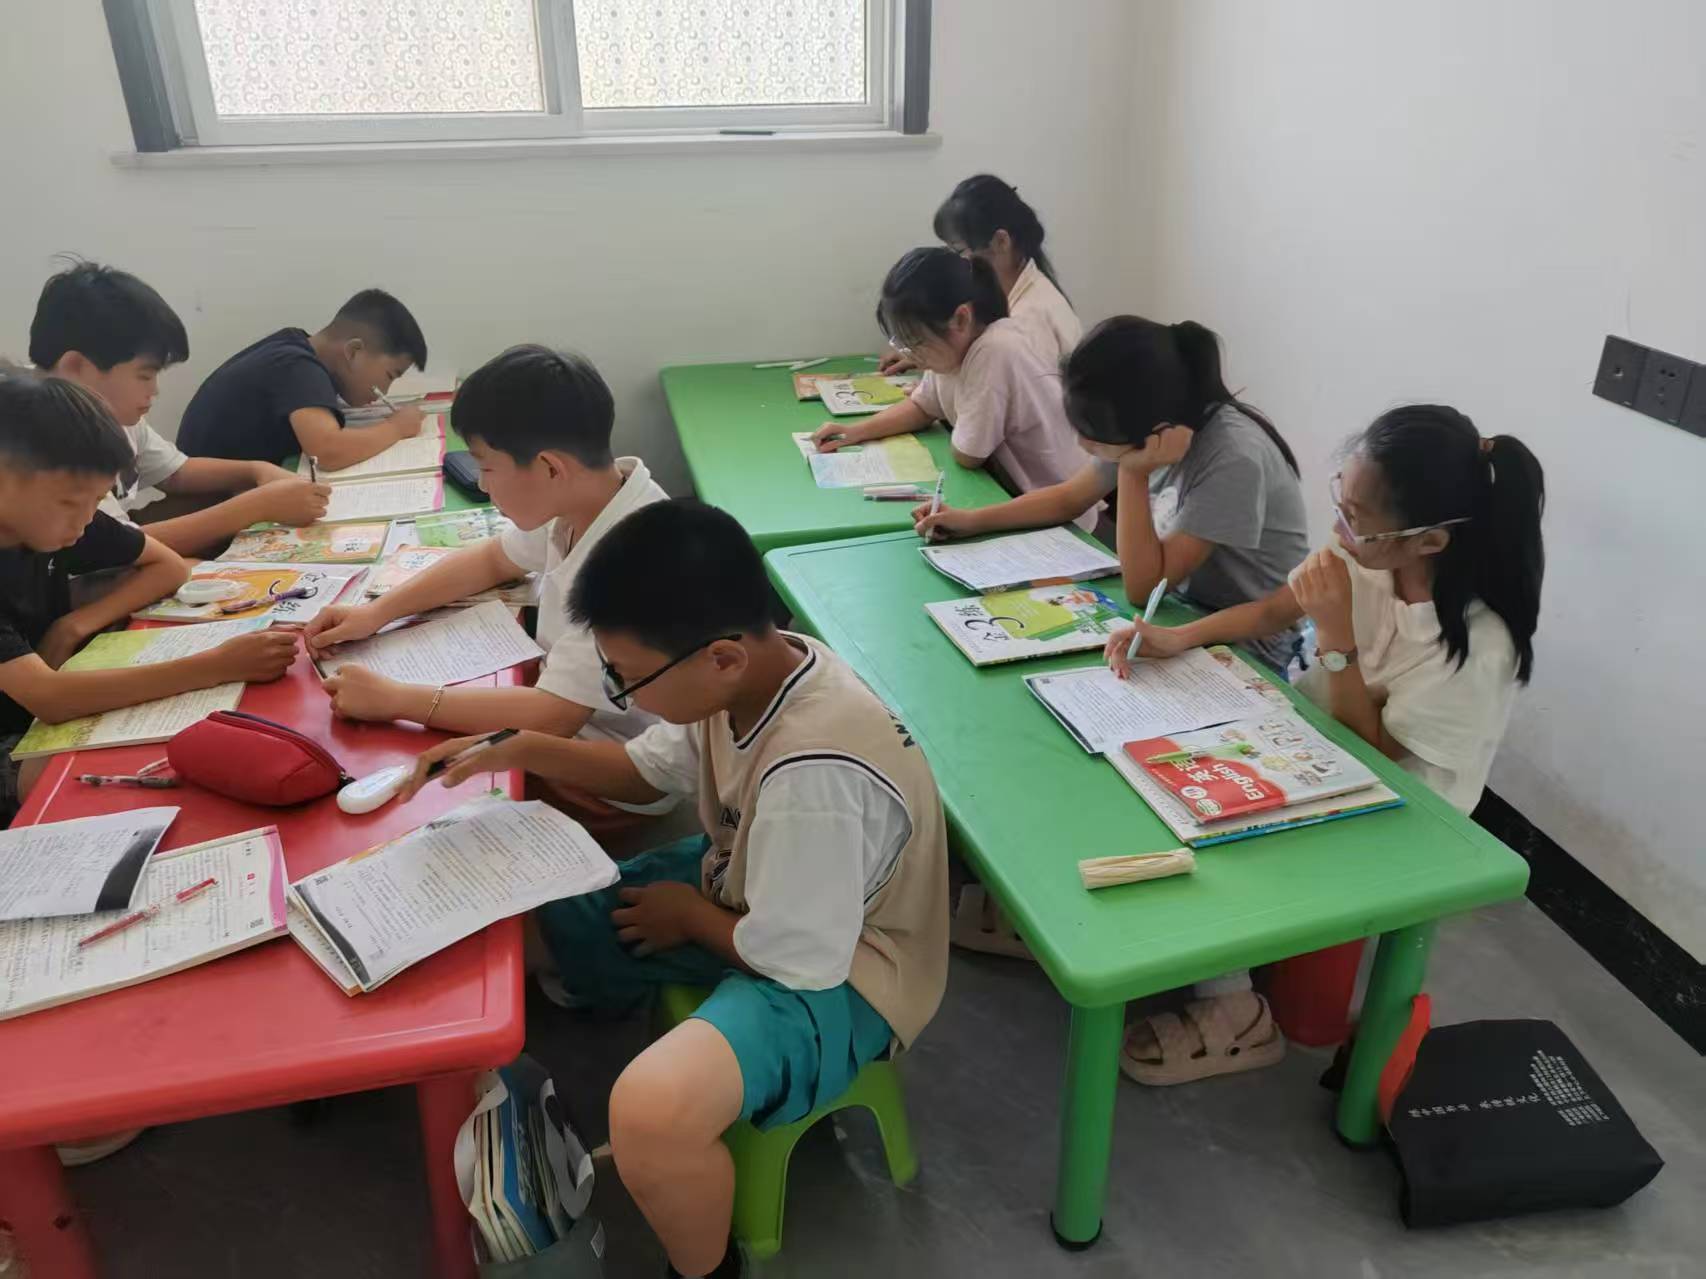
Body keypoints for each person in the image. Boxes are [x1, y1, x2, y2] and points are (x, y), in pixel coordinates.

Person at [403, 500, 949, 1279]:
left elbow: (801, 957)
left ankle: (707, 1270)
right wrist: (520, 747)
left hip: (850, 970)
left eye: (628, 680)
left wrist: (692, 918)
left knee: (650, 1113)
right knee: (521, 925)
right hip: (755, 885)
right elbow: (643, 770)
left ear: (721, 656)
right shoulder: (748, 676)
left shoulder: (813, 777)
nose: (623, 698)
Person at [1105, 404, 1546, 1085]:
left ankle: (1237, 1011)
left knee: (1220, 824)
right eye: (1341, 499)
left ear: (1428, 541)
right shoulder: (1367, 551)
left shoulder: (1479, 647)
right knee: (1157, 753)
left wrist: (1337, 639)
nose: (1339, 525)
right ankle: (1217, 950)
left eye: (1356, 516)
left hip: (1396, 809)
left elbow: (1378, 755)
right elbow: (1275, 609)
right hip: (1315, 746)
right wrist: (1178, 637)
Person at [304, 345, 673, 825]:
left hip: (602, 773)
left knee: (393, 797)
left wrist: (397, 699)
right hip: (559, 720)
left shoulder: (630, 563)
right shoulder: (587, 496)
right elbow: (492, 559)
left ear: (550, 467)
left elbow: (552, 717)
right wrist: (376, 612)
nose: (481, 485)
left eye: (487, 467)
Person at [916, 317, 1310, 671]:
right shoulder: (1150, 417)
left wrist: (1133, 472)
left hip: (1248, 642)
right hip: (1177, 612)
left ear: (1153, 429)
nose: (1084, 446)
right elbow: (1069, 499)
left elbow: (1143, 587)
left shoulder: (1233, 458)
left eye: (1095, 438)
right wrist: (971, 520)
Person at [0, 371, 298, 823]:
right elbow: (49, 698)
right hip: (13, 734)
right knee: (86, 781)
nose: (85, 521)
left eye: (96, 500)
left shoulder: (59, 517)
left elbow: (170, 566)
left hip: (41, 702)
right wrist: (216, 666)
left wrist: (74, 625)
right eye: (71, 503)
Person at [28, 261, 330, 554]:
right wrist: (258, 506)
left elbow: (176, 473)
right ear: (76, 367)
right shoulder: (41, 437)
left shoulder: (108, 412)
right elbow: (116, 551)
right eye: (144, 376)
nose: (154, 390)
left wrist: (256, 471)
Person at [814, 248, 1089, 527]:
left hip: (1053, 511)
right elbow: (922, 407)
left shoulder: (995, 350)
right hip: (1010, 497)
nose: (911, 355)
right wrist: (856, 432)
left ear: (960, 319)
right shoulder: (953, 351)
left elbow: (969, 455)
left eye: (915, 342)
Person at [176, 288, 429, 469]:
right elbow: (328, 452)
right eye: (390, 375)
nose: (385, 389)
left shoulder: (296, 348)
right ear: (353, 351)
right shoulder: (297, 367)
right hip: (210, 505)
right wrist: (396, 428)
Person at [881, 173, 1080, 371]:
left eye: (959, 251)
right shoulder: (1010, 293)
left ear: (1001, 241)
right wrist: (924, 351)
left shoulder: (1029, 320)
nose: (953, 262)